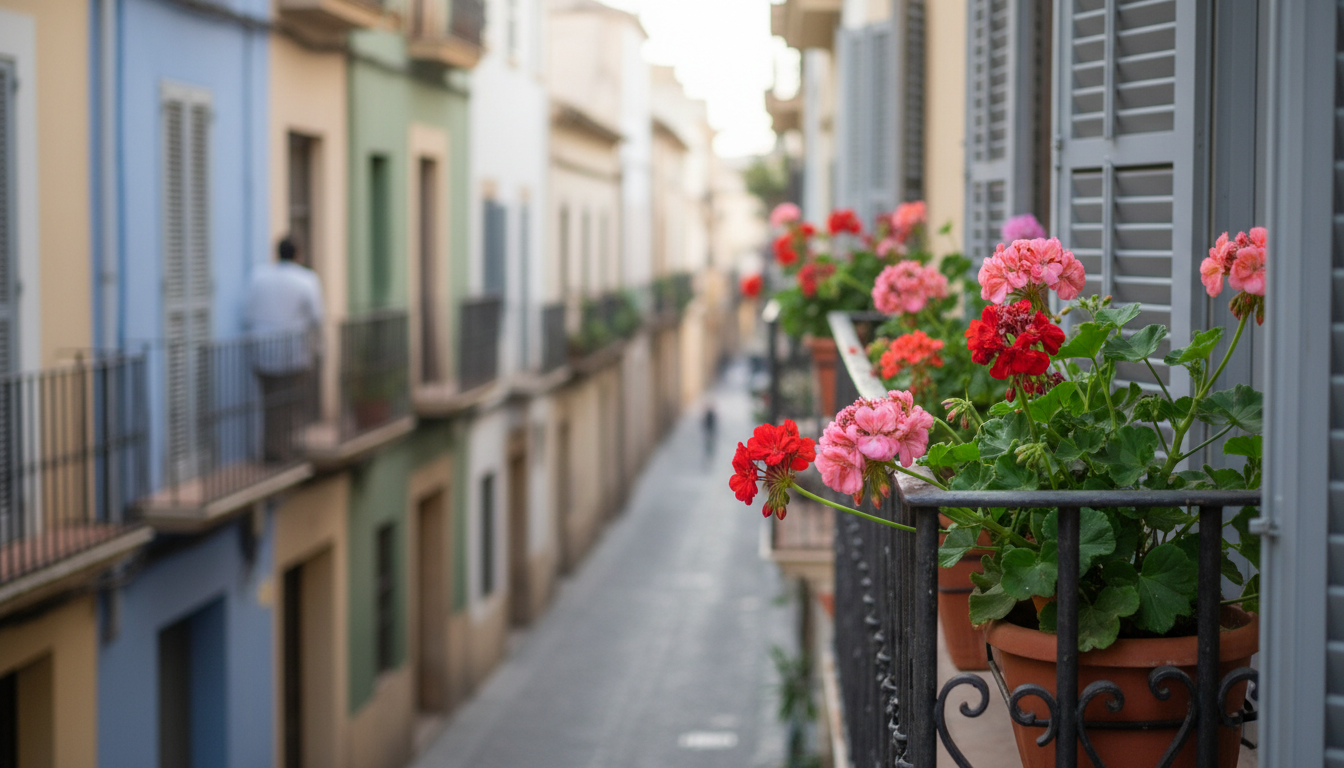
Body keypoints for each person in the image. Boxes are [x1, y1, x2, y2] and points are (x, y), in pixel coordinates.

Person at [244, 237, 325, 463]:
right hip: (294, 355)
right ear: (297, 254)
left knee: (270, 405)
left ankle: (271, 449)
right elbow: (317, 318)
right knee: (290, 404)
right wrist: (320, 349)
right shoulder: (306, 279)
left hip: (261, 353)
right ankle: (285, 452)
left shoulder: (258, 277)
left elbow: (248, 313)